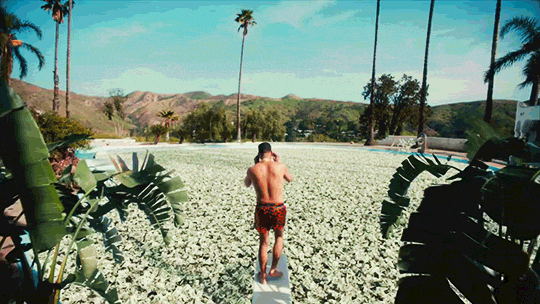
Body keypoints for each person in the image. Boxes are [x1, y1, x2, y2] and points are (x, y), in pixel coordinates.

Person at [244, 142, 293, 284]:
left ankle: (263, 275)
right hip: (278, 207)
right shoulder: (280, 167)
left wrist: (254, 165)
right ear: (271, 153)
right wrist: (278, 162)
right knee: (279, 238)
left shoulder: (253, 169)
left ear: (259, 154)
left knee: (263, 243)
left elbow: (247, 184)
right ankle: (273, 269)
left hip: (262, 208)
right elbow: (290, 179)